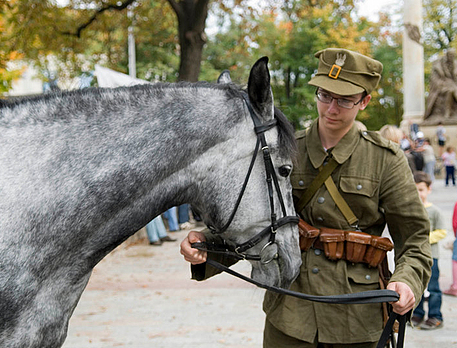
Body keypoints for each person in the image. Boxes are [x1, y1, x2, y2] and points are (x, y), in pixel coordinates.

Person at [181, 48, 432, 347]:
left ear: (364, 101)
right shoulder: (283, 149)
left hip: (357, 318)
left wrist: (407, 280)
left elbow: (415, 239)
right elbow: (257, 222)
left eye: (344, 100)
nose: (331, 108)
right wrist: (208, 246)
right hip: (290, 315)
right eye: (324, 95)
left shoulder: (385, 160)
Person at [411, 172, 447, 330]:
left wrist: (425, 238)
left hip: (432, 256)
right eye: (415, 190)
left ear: (428, 190)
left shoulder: (435, 211)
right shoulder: (410, 210)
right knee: (416, 286)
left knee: (432, 287)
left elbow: (442, 231)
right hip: (415, 256)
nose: (418, 193)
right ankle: (418, 313)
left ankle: (435, 316)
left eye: (421, 190)